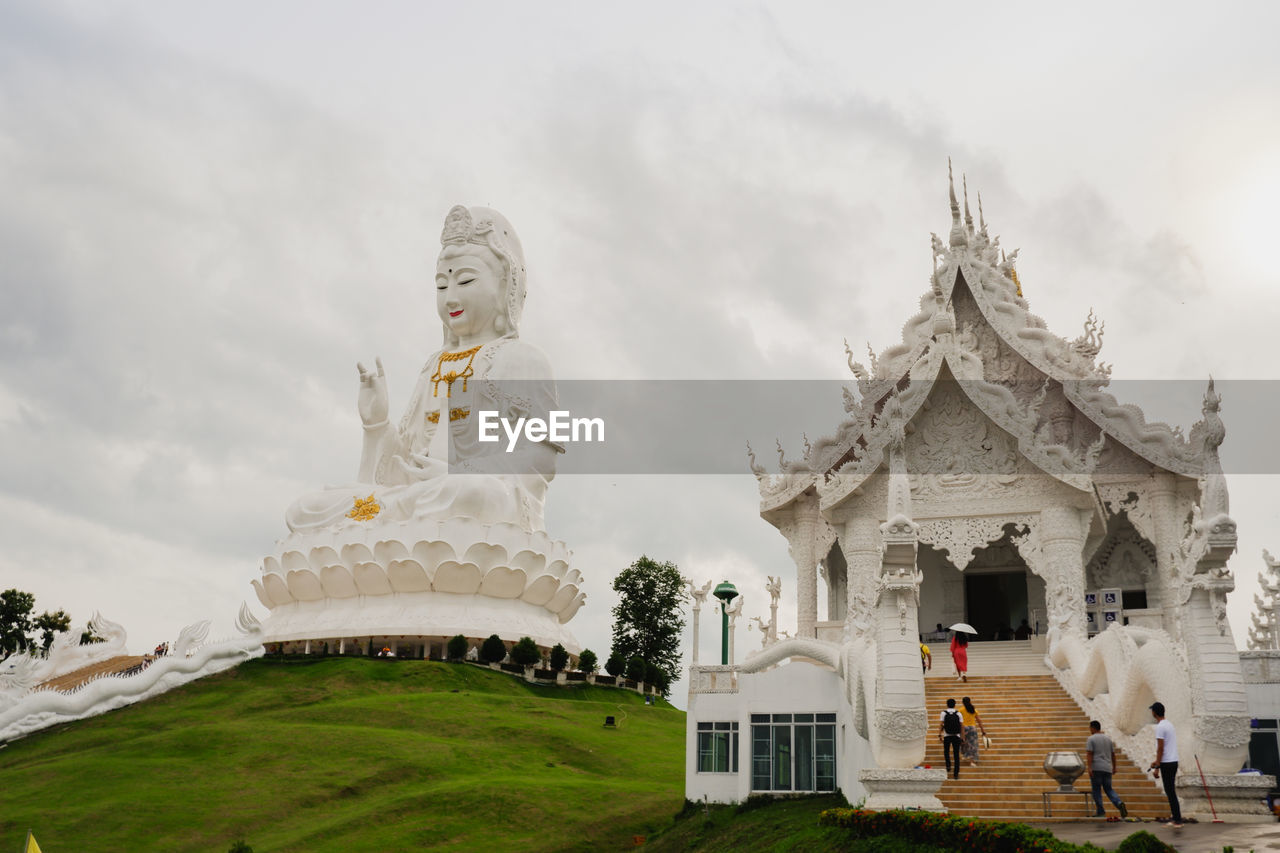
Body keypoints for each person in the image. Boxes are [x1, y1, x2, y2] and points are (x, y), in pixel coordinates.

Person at [285, 206, 561, 535]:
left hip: (481, 499)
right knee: (305, 509)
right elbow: (403, 464)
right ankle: (386, 521)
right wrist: (377, 424)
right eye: (442, 286)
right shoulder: (434, 365)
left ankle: (382, 525)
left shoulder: (522, 358)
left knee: (467, 494)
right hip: (418, 495)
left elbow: (540, 461)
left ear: (505, 287)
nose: (451, 297)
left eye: (466, 281)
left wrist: (458, 473)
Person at [1147, 702, 1182, 827]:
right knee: (1171, 790)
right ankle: (1176, 817)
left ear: (1154, 712)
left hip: (1166, 763)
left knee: (1170, 791)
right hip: (1173, 761)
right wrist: (1156, 762)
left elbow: (1160, 748)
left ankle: (1177, 819)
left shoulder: (1160, 727)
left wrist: (1157, 767)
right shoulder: (1169, 725)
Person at [1086, 720, 1128, 818]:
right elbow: (1113, 755)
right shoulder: (1108, 739)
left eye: (1090, 728)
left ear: (1092, 728)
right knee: (1108, 789)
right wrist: (1114, 767)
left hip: (1096, 768)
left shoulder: (1091, 739)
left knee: (1096, 790)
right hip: (1107, 768)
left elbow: (1089, 754)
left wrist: (1089, 768)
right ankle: (1119, 803)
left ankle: (1100, 811)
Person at [938, 698, 964, 779]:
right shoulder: (959, 713)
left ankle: (948, 766)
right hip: (956, 736)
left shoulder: (943, 713)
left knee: (946, 751)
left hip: (947, 735)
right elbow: (962, 726)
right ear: (955, 704)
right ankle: (956, 774)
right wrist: (963, 737)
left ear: (947, 704)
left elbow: (941, 725)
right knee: (956, 754)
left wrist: (939, 734)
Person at [960, 696, 988, 765]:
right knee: (973, 745)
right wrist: (983, 731)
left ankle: (965, 755)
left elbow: (959, 721)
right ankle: (972, 761)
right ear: (970, 701)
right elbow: (979, 721)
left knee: (963, 743)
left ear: (962, 702)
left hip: (964, 729)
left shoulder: (960, 710)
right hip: (972, 729)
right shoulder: (973, 709)